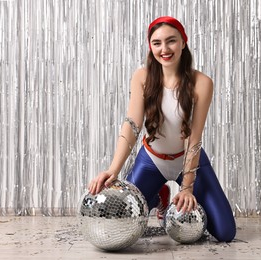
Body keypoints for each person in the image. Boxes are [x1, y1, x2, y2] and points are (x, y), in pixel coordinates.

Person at [88, 16, 236, 242]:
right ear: (151, 46)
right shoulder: (142, 77)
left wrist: (187, 188)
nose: (164, 49)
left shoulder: (202, 82)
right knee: (118, 225)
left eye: (171, 41)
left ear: (183, 42)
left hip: (187, 159)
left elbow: (194, 139)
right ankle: (159, 196)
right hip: (151, 161)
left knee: (226, 233)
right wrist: (113, 170)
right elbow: (132, 125)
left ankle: (183, 199)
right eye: (156, 43)